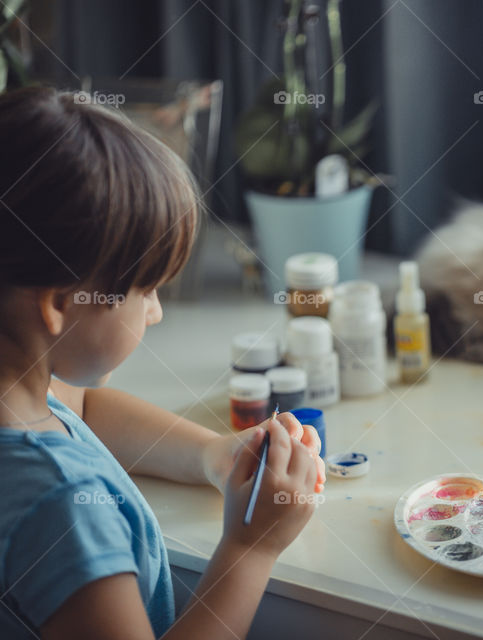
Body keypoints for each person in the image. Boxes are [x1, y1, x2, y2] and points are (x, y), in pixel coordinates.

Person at [0, 86, 325, 639]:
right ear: (58, 303)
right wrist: (252, 547)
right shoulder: (63, 509)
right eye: (146, 289)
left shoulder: (23, 401)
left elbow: (86, 410)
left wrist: (214, 457)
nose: (153, 314)